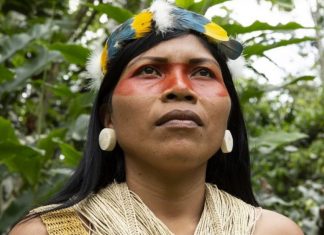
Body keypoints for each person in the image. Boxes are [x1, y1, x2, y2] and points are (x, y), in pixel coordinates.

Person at [10, 1, 303, 234]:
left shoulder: (276, 231)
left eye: (203, 72)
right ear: (108, 116)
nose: (180, 88)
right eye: (149, 70)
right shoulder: (46, 232)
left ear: (228, 118)